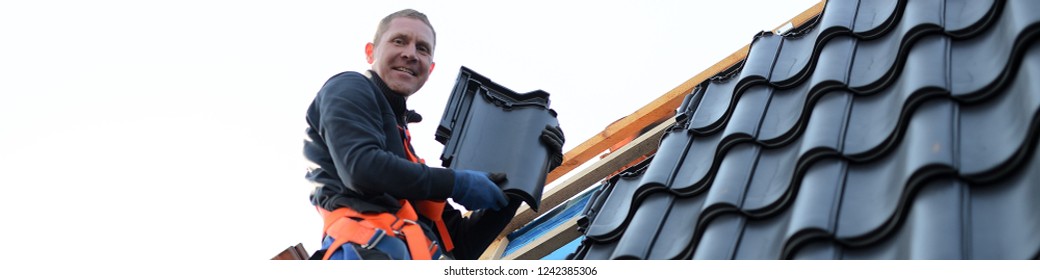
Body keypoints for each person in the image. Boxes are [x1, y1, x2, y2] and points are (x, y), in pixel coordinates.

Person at [303, 9, 564, 260]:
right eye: (399, 41)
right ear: (370, 52)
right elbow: (362, 168)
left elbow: (462, 247)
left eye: (422, 48)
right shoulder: (348, 86)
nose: (410, 54)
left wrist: (527, 175)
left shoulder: (409, 167)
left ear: (431, 68)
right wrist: (456, 183)